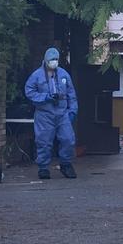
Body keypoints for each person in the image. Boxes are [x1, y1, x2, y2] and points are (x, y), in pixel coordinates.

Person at [25, 47, 78, 179]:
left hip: (62, 113)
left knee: (68, 139)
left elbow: (71, 94)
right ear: (45, 60)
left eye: (56, 59)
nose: (54, 62)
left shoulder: (64, 74)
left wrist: (72, 110)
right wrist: (45, 97)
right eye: (51, 59)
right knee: (43, 141)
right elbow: (29, 92)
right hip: (44, 113)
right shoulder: (36, 76)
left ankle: (66, 164)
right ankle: (43, 168)